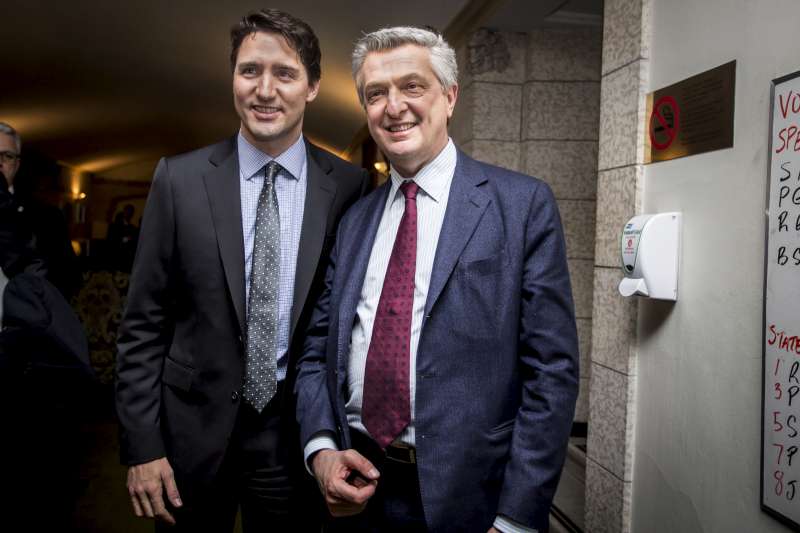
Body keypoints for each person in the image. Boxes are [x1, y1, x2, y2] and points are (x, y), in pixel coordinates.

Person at [295, 26, 579, 533]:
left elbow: (551, 373)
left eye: (412, 86)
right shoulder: (355, 220)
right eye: (375, 94)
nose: (393, 106)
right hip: (357, 484)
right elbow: (318, 349)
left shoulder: (520, 205)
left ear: (449, 96)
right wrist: (321, 451)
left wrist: (515, 517)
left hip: (472, 498)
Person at [115, 9, 367, 532]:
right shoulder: (179, 179)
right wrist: (142, 445)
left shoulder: (350, 188)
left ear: (314, 86)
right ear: (233, 78)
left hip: (293, 439)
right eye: (250, 70)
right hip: (188, 435)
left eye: (285, 73)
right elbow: (141, 326)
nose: (264, 90)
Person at [0, 122, 79, 298]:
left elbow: (67, 279)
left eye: (6, 156)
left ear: (17, 164)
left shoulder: (48, 217)